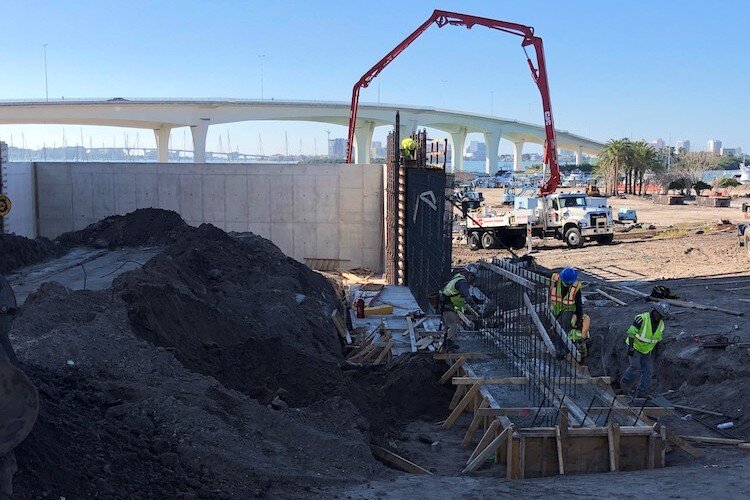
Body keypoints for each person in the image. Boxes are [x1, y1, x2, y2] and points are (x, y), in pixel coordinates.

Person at [620, 305, 666, 397]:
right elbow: (631, 332)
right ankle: (624, 384)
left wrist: (657, 353)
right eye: (659, 315)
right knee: (634, 366)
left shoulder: (661, 325)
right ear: (654, 311)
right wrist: (631, 348)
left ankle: (642, 392)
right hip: (635, 346)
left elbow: (658, 340)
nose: (660, 317)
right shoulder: (642, 318)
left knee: (648, 370)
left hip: (646, 350)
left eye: (662, 316)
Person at [549, 267, 589, 358]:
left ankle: (561, 350)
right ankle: (552, 344)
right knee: (551, 325)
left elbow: (578, 304)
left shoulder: (576, 287)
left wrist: (578, 317)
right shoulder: (555, 279)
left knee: (561, 327)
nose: (569, 284)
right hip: (556, 308)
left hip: (568, 309)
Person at [440, 264, 481, 351]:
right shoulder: (463, 282)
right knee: (453, 323)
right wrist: (475, 306)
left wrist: (476, 301)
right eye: (473, 277)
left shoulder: (458, 279)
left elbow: (460, 295)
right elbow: (467, 296)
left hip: (447, 305)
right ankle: (449, 344)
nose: (473, 280)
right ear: (469, 274)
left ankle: (445, 344)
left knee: (448, 325)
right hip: (448, 305)